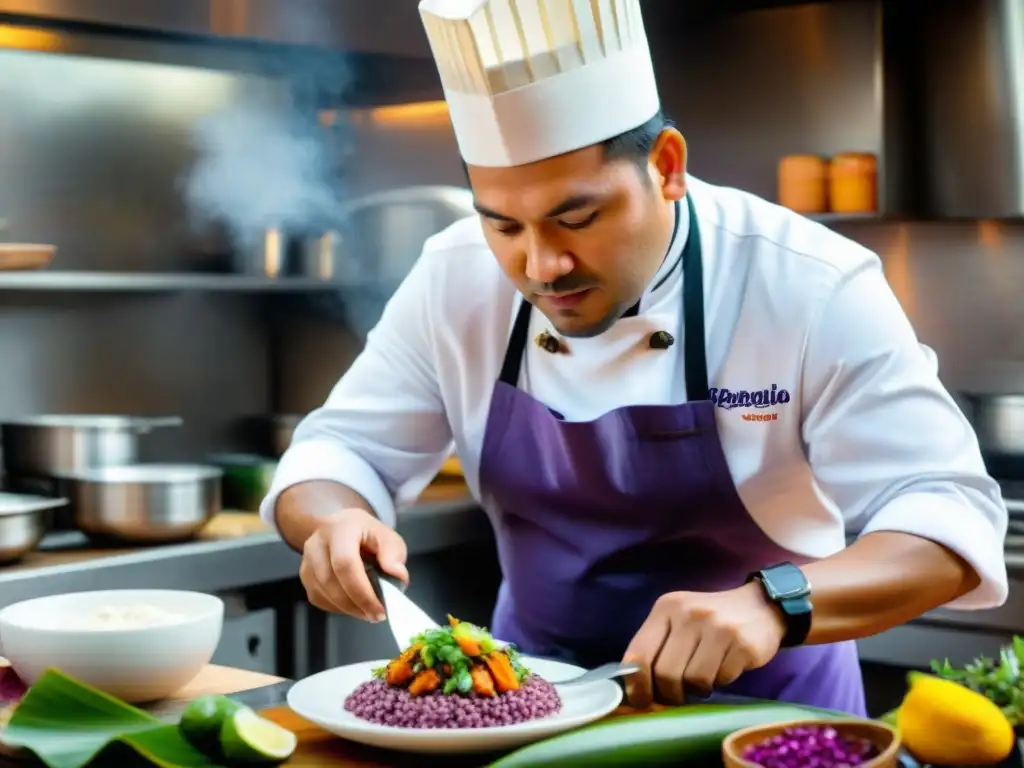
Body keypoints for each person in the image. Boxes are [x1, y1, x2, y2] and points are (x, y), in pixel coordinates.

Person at [259, 0, 1009, 715]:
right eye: (504, 225)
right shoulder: (454, 275)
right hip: (535, 710)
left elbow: (949, 517)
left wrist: (774, 603)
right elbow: (338, 452)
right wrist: (334, 521)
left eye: (576, 217)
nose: (542, 264)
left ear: (668, 165)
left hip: (765, 719)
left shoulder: (807, 283)